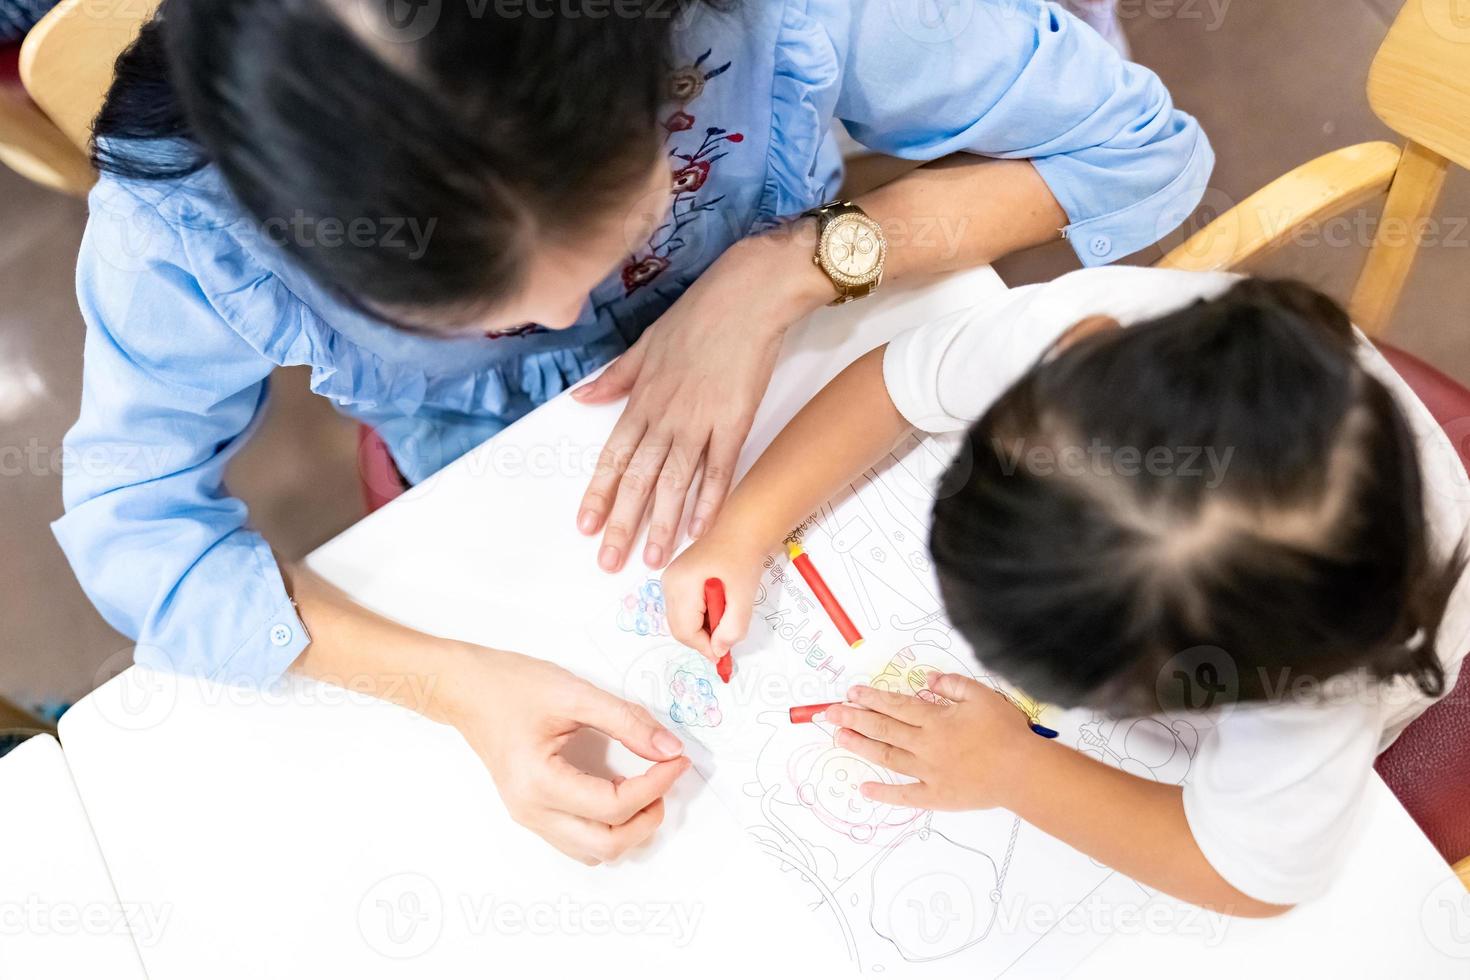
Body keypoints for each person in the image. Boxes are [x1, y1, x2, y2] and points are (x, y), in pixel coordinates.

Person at [56, 0, 1213, 863]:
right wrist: (456, 686)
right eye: (486, 313)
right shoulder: (180, 220)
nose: (568, 320)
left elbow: (1142, 154)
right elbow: (136, 533)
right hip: (500, 504)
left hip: (833, 379)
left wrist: (787, 267)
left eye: (629, 228)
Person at [663, 268, 1470, 912]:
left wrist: (1014, 770)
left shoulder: (1322, 685)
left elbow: (1251, 879)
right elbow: (894, 382)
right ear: (1072, 349)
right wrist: (745, 528)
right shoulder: (1079, 353)